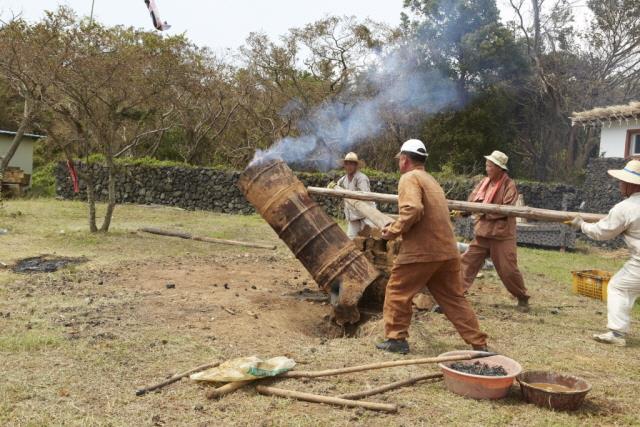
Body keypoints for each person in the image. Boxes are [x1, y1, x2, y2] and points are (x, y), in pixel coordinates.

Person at [376, 139, 488, 354]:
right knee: (453, 298)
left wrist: (393, 230)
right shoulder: (431, 180)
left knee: (397, 291)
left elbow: (413, 208)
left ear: (404, 159)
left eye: (400, 159)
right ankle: (479, 343)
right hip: (447, 250)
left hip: (422, 250)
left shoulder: (409, 178)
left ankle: (396, 339)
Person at [569, 159, 640, 347]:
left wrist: (581, 225)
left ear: (630, 185)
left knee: (618, 287)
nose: (619, 185)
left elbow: (602, 232)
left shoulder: (625, 208)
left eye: (622, 182)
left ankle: (616, 332)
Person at [460, 150, 530, 310]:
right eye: (487, 164)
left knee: (508, 270)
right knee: (467, 263)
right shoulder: (483, 183)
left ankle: (522, 297)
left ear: (499, 168)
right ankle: (456, 296)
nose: (487, 167)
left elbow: (506, 210)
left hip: (501, 235)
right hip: (482, 233)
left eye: (490, 165)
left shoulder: (509, 185)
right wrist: (465, 210)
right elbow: (472, 201)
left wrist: (482, 211)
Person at [331, 152, 375, 239]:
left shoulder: (361, 178)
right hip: (353, 216)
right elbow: (335, 187)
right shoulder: (342, 180)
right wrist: (333, 187)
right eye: (347, 164)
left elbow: (365, 195)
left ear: (356, 166)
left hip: (366, 214)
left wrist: (348, 194)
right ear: (344, 166)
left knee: (369, 239)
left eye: (351, 164)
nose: (349, 166)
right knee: (351, 239)